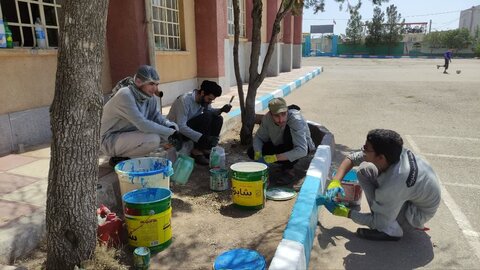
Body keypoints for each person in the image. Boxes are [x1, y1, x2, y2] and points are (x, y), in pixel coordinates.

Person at [319, 129, 441, 241]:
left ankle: (392, 231)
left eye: (366, 149)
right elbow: (352, 158)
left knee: (381, 221)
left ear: (381, 157)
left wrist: (345, 212)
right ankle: (383, 211)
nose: (362, 151)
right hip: (411, 195)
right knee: (364, 172)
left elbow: (378, 222)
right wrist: (336, 181)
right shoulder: (394, 152)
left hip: (417, 213)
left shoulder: (394, 184)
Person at [100, 65, 181, 166]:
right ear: (138, 82)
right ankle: (121, 158)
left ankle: (133, 156)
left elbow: (156, 117)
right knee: (153, 139)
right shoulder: (125, 95)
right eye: (151, 84)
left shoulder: (149, 97)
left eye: (156, 84)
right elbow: (142, 124)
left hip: (128, 134)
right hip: (109, 139)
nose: (154, 88)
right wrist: (171, 132)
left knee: (170, 131)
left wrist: (171, 126)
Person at [247, 97, 315, 185]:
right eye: (276, 116)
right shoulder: (267, 119)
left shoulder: (295, 119)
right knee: (252, 151)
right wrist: (258, 154)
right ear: (271, 114)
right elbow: (259, 138)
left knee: (287, 133)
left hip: (301, 147)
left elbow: (302, 150)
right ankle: (270, 167)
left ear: (287, 111)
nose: (281, 119)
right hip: (280, 145)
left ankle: (289, 171)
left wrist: (276, 157)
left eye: (283, 114)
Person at [167, 80, 232, 165]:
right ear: (202, 93)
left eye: (211, 100)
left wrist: (221, 110)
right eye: (209, 99)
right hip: (176, 133)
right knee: (207, 116)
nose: (209, 102)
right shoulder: (184, 100)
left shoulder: (203, 100)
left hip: (189, 128)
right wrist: (201, 138)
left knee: (218, 118)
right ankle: (196, 151)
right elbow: (181, 126)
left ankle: (207, 148)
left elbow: (210, 111)